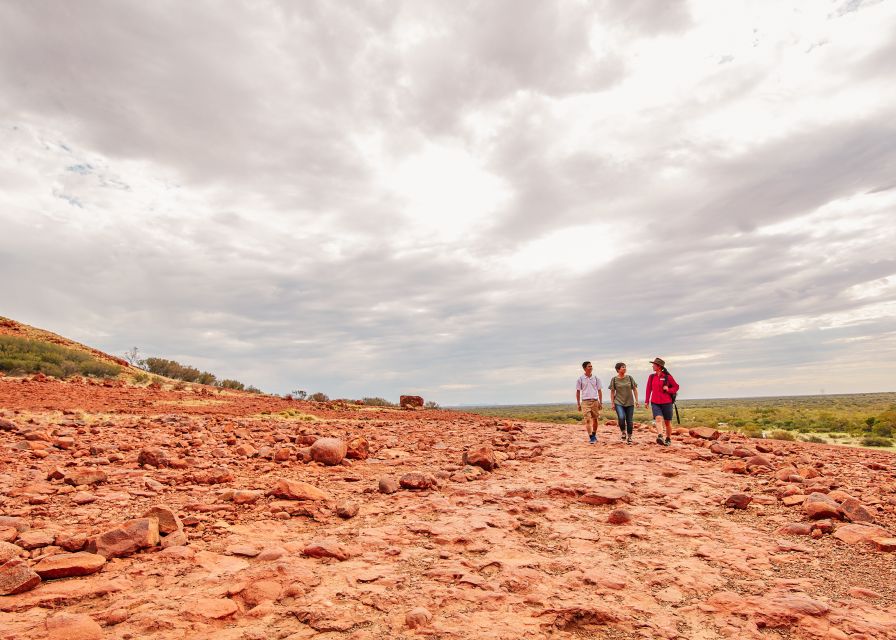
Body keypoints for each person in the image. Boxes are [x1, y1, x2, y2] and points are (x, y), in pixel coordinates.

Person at [643, 357, 679, 446]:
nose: (652, 366)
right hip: (655, 402)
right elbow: (648, 389)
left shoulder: (668, 377)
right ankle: (660, 436)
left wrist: (668, 389)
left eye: (654, 364)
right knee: (658, 419)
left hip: (667, 402)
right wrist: (647, 401)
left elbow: (676, 387)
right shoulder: (651, 377)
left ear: (659, 366)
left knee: (667, 422)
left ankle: (668, 438)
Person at [608, 362, 638, 445]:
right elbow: (612, 392)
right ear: (618, 369)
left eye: (625, 367)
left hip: (630, 402)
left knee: (629, 420)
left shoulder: (629, 378)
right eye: (622, 367)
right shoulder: (614, 379)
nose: (624, 368)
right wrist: (612, 403)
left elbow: (634, 389)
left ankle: (629, 437)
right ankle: (623, 432)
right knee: (621, 417)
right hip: (618, 401)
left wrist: (637, 400)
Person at [576, 361, 603, 444]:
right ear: (584, 368)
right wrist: (578, 404)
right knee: (587, 420)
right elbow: (578, 392)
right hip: (585, 402)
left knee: (595, 419)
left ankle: (594, 434)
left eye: (591, 366)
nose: (591, 368)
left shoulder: (596, 378)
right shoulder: (580, 379)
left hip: (595, 401)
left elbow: (599, 391)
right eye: (589, 366)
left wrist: (600, 402)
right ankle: (591, 437)